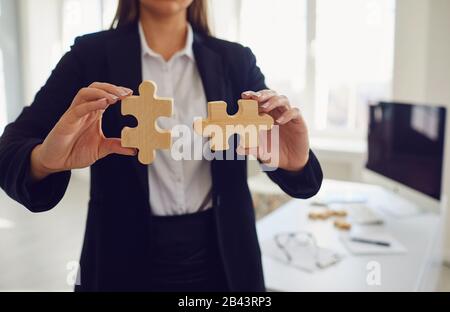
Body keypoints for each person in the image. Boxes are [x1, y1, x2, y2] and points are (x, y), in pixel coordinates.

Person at [0, 0, 322, 292]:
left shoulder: (235, 60)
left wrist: (295, 163)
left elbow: (281, 150)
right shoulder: (90, 56)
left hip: (224, 258)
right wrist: (43, 159)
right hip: (121, 257)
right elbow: (9, 151)